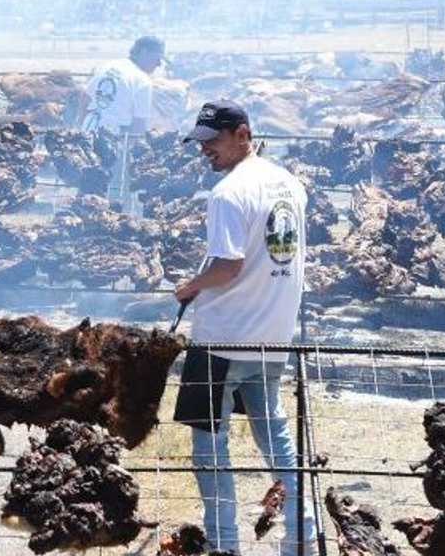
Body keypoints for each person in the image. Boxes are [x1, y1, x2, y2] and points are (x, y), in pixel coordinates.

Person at [171, 100, 315, 555]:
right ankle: (302, 539)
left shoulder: (228, 194)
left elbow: (229, 266)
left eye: (212, 142)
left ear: (242, 134)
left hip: (220, 338)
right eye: (201, 143)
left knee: (209, 453)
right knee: (275, 437)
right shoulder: (290, 184)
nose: (205, 151)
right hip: (272, 336)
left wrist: (189, 286)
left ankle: (224, 545)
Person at [79, 35, 162, 136]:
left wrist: (82, 129)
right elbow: (139, 125)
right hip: (113, 138)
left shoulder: (108, 65)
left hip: (88, 130)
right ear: (144, 52)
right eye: (157, 58)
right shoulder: (142, 81)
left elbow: (85, 98)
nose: (159, 64)